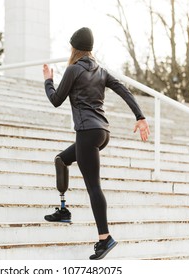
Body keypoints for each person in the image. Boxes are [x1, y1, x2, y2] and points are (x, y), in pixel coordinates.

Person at [42, 27, 150, 260]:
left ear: (74, 48)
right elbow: (124, 90)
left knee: (94, 187)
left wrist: (48, 81)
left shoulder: (73, 70)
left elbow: (55, 100)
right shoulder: (101, 71)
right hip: (102, 132)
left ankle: (105, 238)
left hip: (88, 133)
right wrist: (139, 116)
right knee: (61, 160)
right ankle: (63, 210)